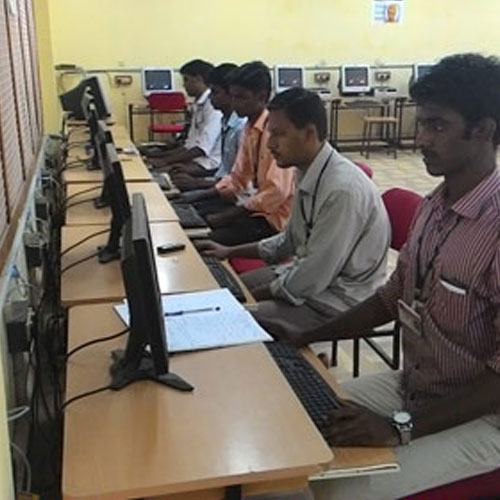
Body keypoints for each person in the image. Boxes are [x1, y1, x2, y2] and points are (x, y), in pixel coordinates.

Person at [298, 53, 500, 500]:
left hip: (486, 416)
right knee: (301, 419)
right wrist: (304, 337)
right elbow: (391, 298)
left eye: (437, 126)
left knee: (344, 489)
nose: (421, 138)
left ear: (483, 131)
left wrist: (398, 427)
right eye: (421, 123)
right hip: (418, 386)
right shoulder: (434, 205)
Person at [197, 88, 390, 340]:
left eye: (279, 134)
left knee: (232, 319)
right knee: (227, 287)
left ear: (309, 133)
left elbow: (314, 275)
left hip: (338, 301)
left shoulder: (342, 190)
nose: (270, 144)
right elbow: (289, 240)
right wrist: (228, 252)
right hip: (309, 280)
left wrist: (249, 298)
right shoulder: (306, 169)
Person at [189, 61, 295, 245]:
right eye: (233, 96)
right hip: (255, 210)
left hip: (275, 222)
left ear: (262, 97)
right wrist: (200, 195)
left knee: (201, 240)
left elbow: (275, 192)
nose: (234, 103)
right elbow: (238, 177)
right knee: (195, 215)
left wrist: (229, 215)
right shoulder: (249, 127)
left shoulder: (274, 133)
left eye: (241, 97)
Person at [171, 63, 247, 192]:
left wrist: (197, 184)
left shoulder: (240, 127)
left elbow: (240, 183)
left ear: (231, 95)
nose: (210, 97)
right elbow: (225, 174)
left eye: (215, 92)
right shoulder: (226, 121)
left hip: (218, 176)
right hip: (220, 180)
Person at [148, 59, 222, 177]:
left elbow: (201, 149)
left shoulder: (213, 106)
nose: (184, 85)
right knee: (153, 169)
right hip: (196, 160)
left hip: (208, 164)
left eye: (186, 80)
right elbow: (189, 146)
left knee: (154, 174)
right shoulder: (198, 104)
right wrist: (157, 156)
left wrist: (164, 161)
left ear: (198, 79)